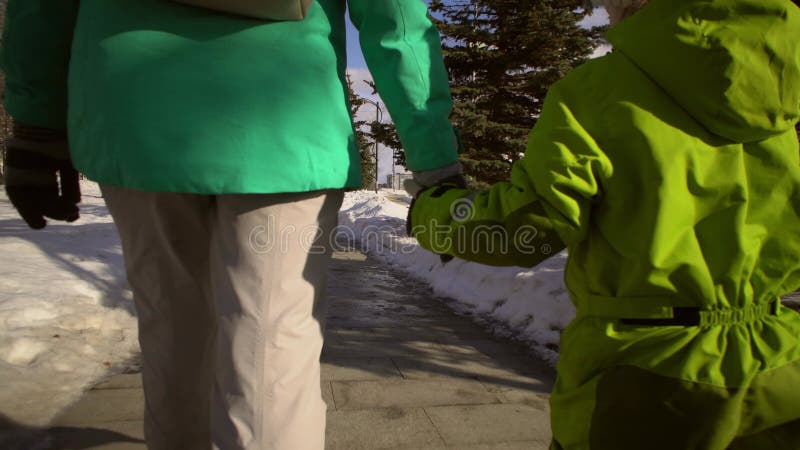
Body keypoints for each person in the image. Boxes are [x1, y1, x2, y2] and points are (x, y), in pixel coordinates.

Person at [1, 0, 462, 448]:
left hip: (139, 112)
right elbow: (395, 18)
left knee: (173, 339)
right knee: (272, 356)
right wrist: (434, 160)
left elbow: (41, 8)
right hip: (287, 124)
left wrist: (36, 125)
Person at [408, 0, 800, 448]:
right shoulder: (781, 93)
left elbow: (520, 229)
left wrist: (431, 210)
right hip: (779, 368)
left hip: (642, 379)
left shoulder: (598, 92)